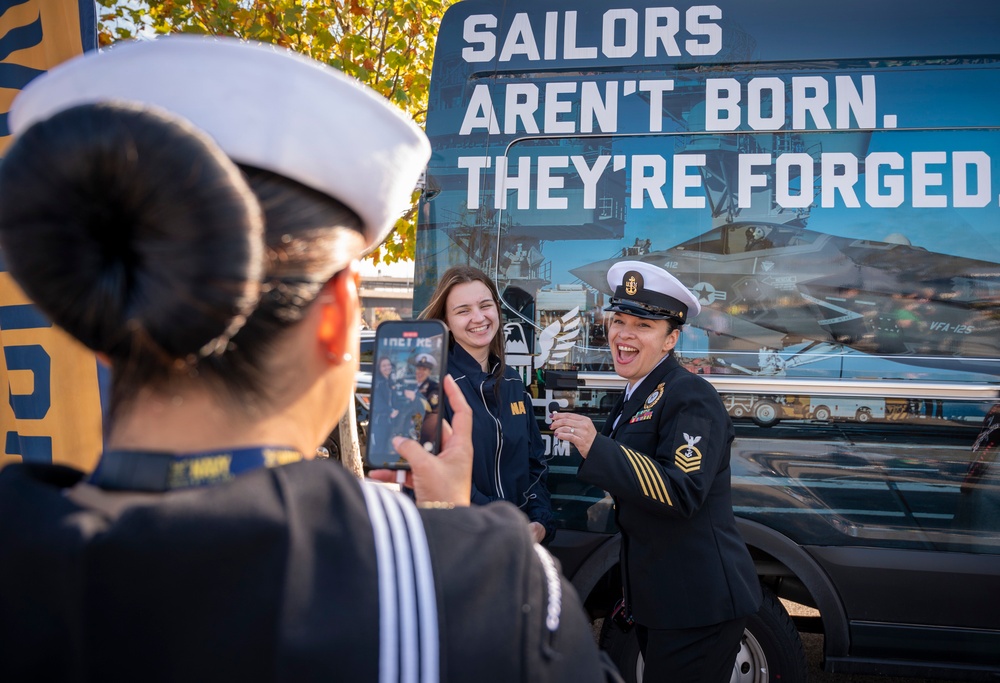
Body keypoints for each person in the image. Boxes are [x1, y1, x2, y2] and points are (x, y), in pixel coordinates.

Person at [0, 36, 615, 683]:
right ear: (336, 317)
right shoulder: (485, 585)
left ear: (106, 329)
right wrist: (457, 538)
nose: (479, 319)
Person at [551, 260, 762, 683]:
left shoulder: (690, 396)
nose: (624, 334)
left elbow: (680, 491)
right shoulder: (640, 392)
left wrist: (597, 447)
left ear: (671, 340)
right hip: (664, 599)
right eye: (620, 320)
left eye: (643, 326)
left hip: (697, 605)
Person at [420, 266, 555, 545]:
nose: (478, 318)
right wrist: (502, 524)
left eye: (485, 306)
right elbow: (437, 477)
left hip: (517, 543)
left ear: (497, 310)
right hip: (463, 545)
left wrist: (540, 521)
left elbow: (535, 466)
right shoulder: (434, 386)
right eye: (463, 310)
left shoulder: (513, 381)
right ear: (445, 321)